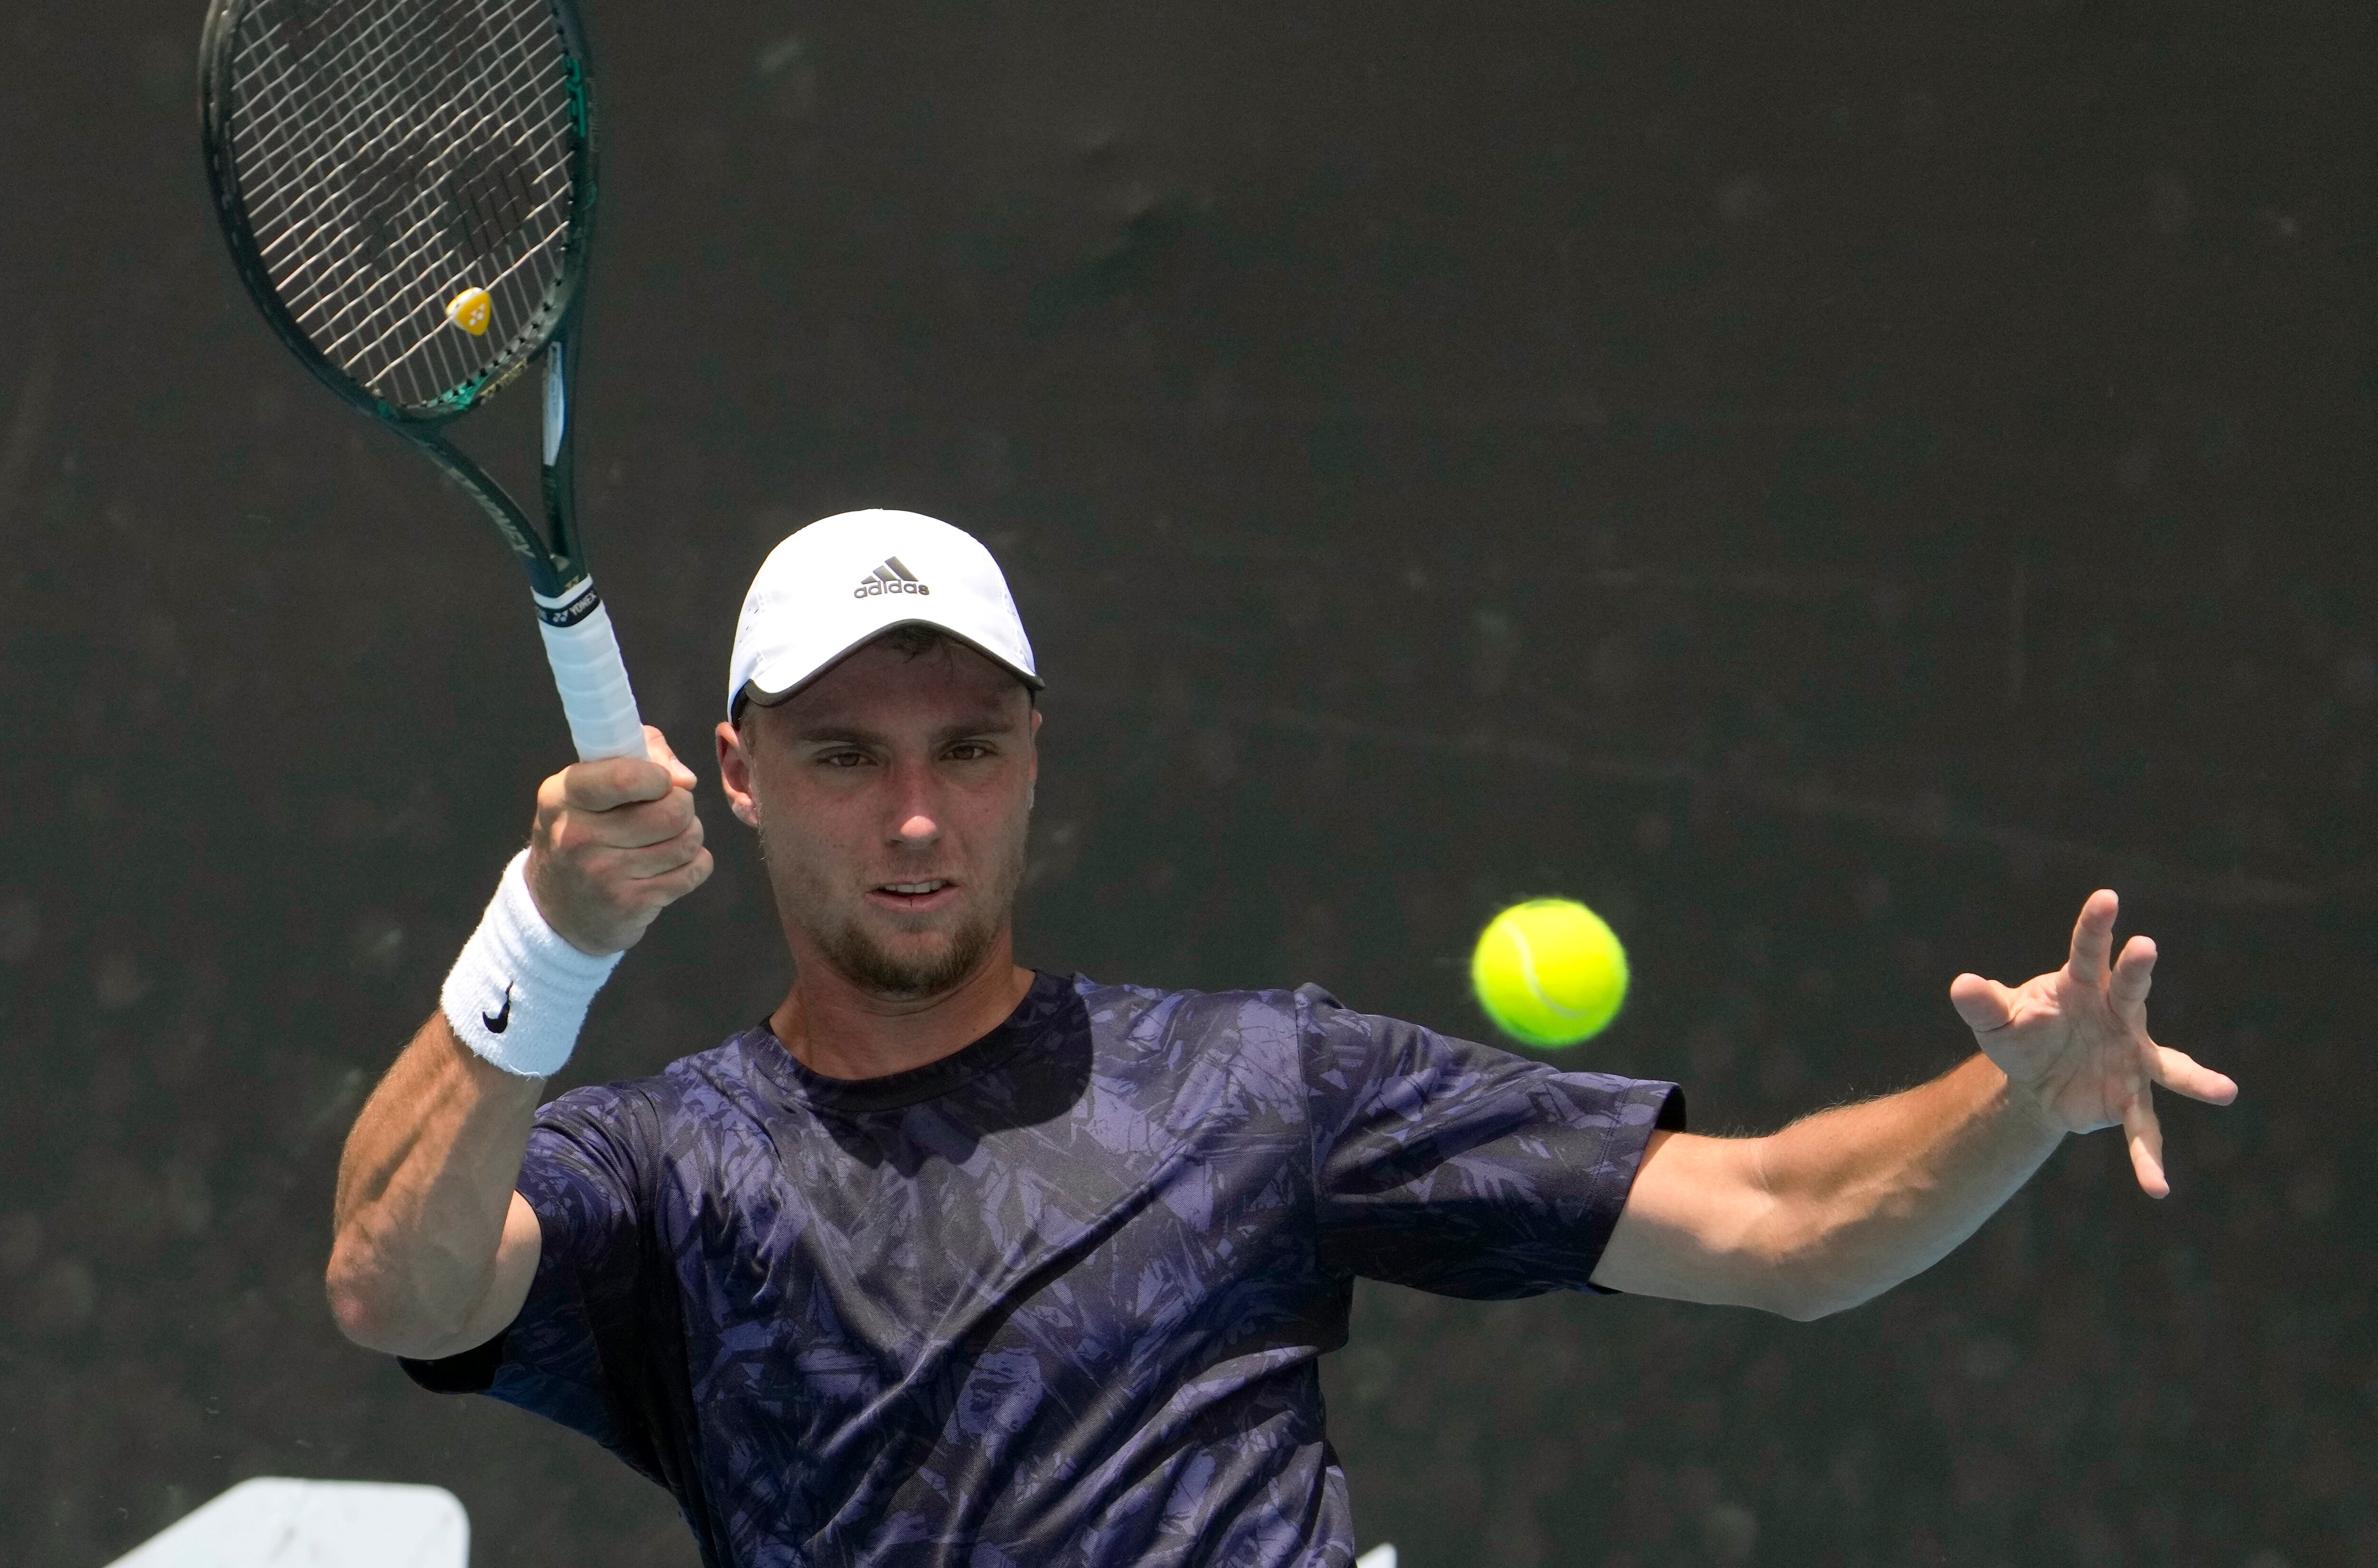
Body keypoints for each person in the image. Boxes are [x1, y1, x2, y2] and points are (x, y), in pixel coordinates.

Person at [327, 508, 2238, 1568]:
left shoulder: (1259, 1086)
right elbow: (395, 1284)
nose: (914, 819)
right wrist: (544, 942)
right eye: (846, 759)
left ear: (1032, 759)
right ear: (741, 775)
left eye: (965, 750)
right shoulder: (669, 1169)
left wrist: (2013, 1107)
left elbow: (1781, 1225)